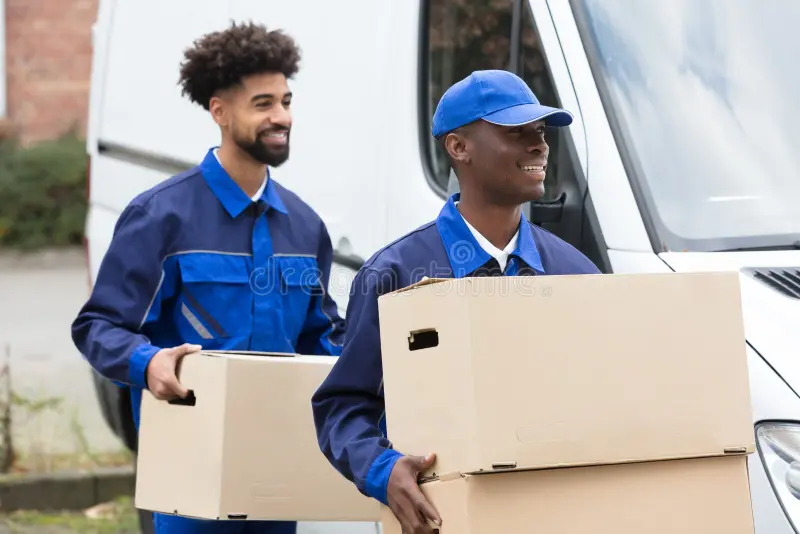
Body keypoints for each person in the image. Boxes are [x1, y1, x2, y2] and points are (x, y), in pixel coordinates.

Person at [71, 21, 345, 534]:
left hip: (277, 472)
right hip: (187, 475)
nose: (281, 116)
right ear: (219, 111)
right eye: (263, 104)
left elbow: (322, 336)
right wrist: (149, 363)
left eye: (286, 101)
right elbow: (98, 326)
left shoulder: (305, 227)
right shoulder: (160, 218)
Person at [311, 69, 601, 534]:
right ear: (458, 147)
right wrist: (383, 472)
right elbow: (342, 406)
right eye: (516, 132)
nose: (539, 145)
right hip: (445, 519)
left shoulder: (578, 275)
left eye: (541, 132)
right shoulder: (393, 275)